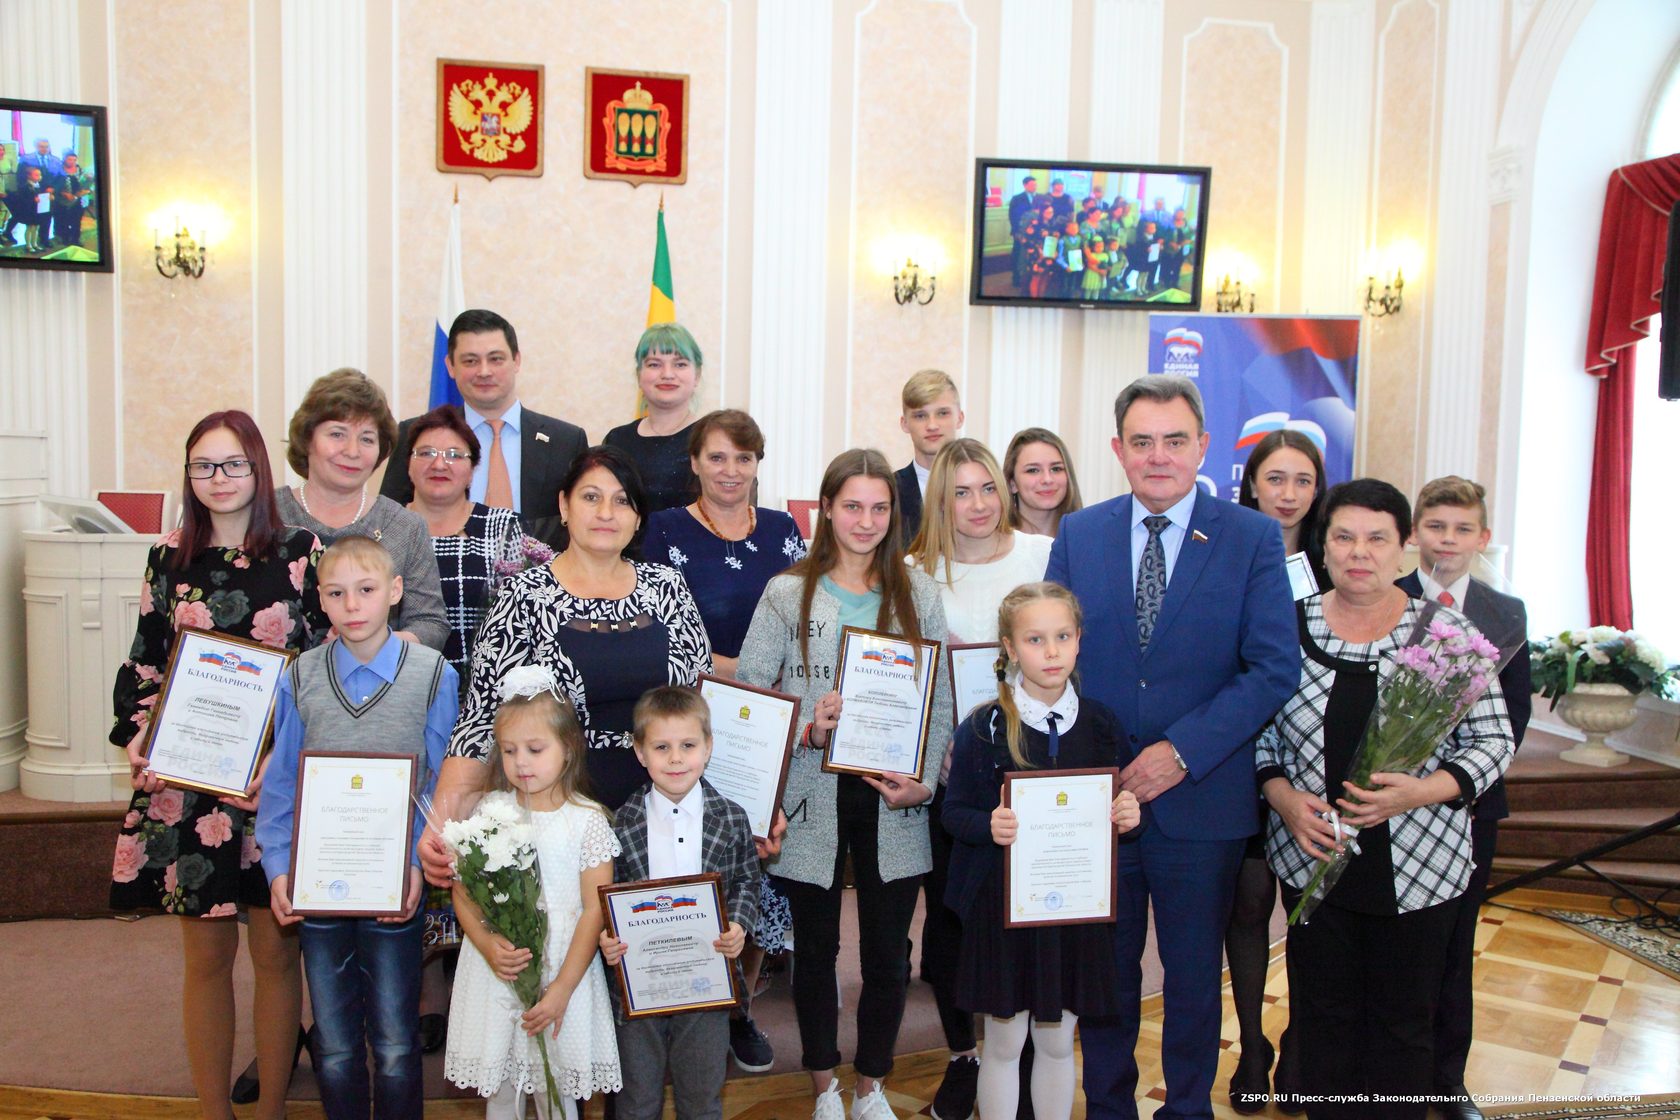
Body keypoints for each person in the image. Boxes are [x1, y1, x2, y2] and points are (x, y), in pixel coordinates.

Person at [1046, 375, 1298, 1120]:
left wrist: (1181, 752)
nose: (1159, 456)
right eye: (1143, 441)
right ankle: (1109, 1108)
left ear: (1204, 448)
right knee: (1107, 976)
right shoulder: (1080, 534)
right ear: (1118, 449)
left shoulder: (1251, 537)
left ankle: (1187, 1108)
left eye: (1175, 440)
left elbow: (1273, 667)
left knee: (1192, 978)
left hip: (1202, 797)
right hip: (1099, 801)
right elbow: (1049, 658)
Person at [1256, 479, 1514, 1120]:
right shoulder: (1285, 627)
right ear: (1324, 546)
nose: (1359, 553)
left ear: (1404, 548)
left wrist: (1423, 791)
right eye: (1344, 537)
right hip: (1313, 861)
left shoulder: (1446, 633)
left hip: (1421, 867)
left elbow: (1494, 740)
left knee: (1403, 1025)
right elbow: (1257, 732)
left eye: (1377, 539)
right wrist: (1283, 797)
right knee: (1323, 1019)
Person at [109, 410, 325, 1120]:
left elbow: (325, 668)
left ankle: (270, 1110)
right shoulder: (168, 557)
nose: (219, 478)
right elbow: (146, 659)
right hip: (190, 786)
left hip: (272, 783)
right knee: (204, 961)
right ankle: (213, 1111)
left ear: (259, 468)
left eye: (234, 464)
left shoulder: (301, 551)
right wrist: (138, 735)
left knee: (276, 957)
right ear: (188, 475)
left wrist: (286, 758)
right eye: (203, 466)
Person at [737, 448, 954, 1120]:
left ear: (894, 514)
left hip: (894, 800)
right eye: (852, 505)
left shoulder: (919, 593)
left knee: (888, 956)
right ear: (826, 509)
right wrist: (807, 727)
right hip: (812, 797)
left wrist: (924, 783)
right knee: (816, 953)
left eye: (879, 507)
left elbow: (940, 700)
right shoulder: (785, 593)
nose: (866, 521)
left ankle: (872, 1085)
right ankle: (824, 1085)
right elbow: (752, 696)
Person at [426, 444, 712, 888]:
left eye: (622, 501)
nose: (606, 513)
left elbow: (703, 703)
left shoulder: (667, 587)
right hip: (556, 819)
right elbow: (480, 720)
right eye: (591, 497)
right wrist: (443, 825)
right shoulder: (523, 596)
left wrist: (750, 810)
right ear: (564, 506)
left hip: (665, 813)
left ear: (638, 517)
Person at [257, 535, 459, 1120]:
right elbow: (282, 785)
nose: (352, 605)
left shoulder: (432, 674)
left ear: (395, 591)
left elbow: (442, 780)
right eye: (336, 593)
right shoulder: (300, 676)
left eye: (366, 590)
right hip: (318, 888)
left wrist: (417, 862)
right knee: (337, 1043)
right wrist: (278, 868)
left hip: (395, 887)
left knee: (395, 1042)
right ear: (319, 599)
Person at [639, 408, 803, 1071]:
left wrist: (766, 679)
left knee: (756, 859)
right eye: (717, 457)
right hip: (688, 719)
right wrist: (745, 670)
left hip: (766, 723)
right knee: (692, 861)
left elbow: (805, 620)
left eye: (744, 457)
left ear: (758, 463)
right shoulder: (664, 528)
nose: (731, 471)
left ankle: (739, 1005)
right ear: (694, 463)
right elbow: (658, 623)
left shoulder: (785, 530)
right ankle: (676, 999)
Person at [943, 582, 1143, 1120]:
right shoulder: (983, 727)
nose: (1051, 652)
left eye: (1062, 637)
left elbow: (1118, 810)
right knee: (1004, 1043)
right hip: (1003, 913)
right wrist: (989, 824)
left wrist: (1129, 815)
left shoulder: (1102, 724)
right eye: (1035, 639)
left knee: (1058, 1042)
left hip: (1075, 912)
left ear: (1079, 640)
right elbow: (953, 812)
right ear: (1010, 648)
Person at [904, 437, 1054, 1120]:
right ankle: (965, 1055)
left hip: (1034, 772)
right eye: (960, 491)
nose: (977, 504)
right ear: (940, 499)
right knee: (952, 922)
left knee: (1026, 919)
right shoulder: (915, 571)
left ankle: (1020, 1056)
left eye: (988, 487)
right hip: (953, 778)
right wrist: (932, 750)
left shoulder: (1040, 555)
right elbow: (908, 673)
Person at [1401, 476, 1531, 1120]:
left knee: (1454, 945)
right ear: (1414, 533)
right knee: (1397, 948)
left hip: (1467, 804)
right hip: (1391, 802)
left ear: (1483, 537)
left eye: (1461, 529)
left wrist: (1456, 779)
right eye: (1435, 527)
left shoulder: (1506, 612)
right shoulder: (1388, 599)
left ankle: (1446, 1080)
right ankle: (1388, 1072)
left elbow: (1516, 715)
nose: (1447, 541)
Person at [444, 667, 622, 1119]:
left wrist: (561, 989)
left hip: (564, 968)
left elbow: (593, 911)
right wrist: (487, 943)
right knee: (501, 1092)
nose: (521, 762)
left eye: (535, 749)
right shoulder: (490, 812)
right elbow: (463, 892)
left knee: (555, 1092)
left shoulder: (587, 821)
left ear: (568, 748)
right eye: (509, 750)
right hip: (499, 972)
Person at [1224, 429, 1330, 1112]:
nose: (1288, 494)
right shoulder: (1226, 552)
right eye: (1275, 479)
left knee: (1310, 912)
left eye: (1303, 481)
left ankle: (1300, 1044)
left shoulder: (1333, 560)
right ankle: (1252, 1047)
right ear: (1252, 484)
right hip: (1240, 752)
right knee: (1248, 904)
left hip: (1313, 760)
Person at [599, 686, 761, 1120]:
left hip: (708, 985)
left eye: (688, 745)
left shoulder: (732, 818)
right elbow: (606, 898)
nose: (675, 759)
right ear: (640, 752)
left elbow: (748, 881)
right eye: (661, 747)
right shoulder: (620, 822)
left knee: (701, 1100)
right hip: (638, 989)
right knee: (636, 1103)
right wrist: (607, 938)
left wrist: (738, 925)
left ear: (708, 747)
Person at [381, 309, 589, 552]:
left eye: (496, 359)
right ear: (450, 366)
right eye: (470, 361)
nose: (484, 371)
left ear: (517, 360)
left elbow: (581, 524)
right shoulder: (415, 435)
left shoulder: (566, 442)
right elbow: (389, 522)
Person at [275, 368, 450, 650]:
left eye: (367, 438)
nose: (353, 451)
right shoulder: (266, 515)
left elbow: (430, 624)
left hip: (376, 677)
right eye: (337, 434)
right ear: (307, 439)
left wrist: (375, 645)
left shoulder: (405, 526)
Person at [403, 404, 536, 691]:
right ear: (408, 465)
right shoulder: (386, 527)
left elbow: (529, 621)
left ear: (473, 469)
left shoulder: (505, 527)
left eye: (454, 455)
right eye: (426, 453)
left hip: (487, 696)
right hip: (402, 695)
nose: (439, 464)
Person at [604, 323, 705, 513]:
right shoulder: (617, 440)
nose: (667, 374)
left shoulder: (711, 439)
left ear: (697, 375)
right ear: (639, 375)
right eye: (654, 364)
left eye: (680, 364)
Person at [895, 369, 965, 546]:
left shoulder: (988, 488)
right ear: (904, 423)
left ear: (960, 418)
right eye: (920, 416)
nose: (932, 425)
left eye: (942, 413)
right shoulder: (888, 491)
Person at [1002, 429, 1082, 539]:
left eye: (1056, 469)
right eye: (1033, 470)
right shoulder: (995, 544)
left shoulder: (1089, 538)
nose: (1047, 479)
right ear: (1012, 483)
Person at [49, 152, 91, 248]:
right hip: (61, 201)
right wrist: (63, 193)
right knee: (63, 221)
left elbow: (86, 184)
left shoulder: (80, 170)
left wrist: (84, 191)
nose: (72, 162)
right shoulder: (58, 170)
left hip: (78, 200)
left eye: (74, 160)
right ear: (64, 159)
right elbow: (53, 186)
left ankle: (75, 239)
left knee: (76, 221)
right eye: (70, 159)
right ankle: (65, 239)